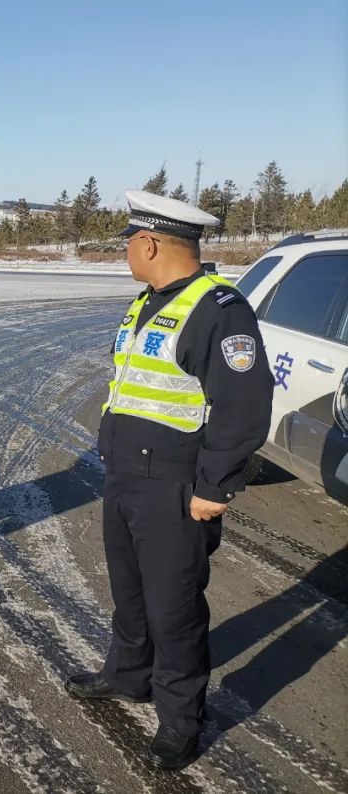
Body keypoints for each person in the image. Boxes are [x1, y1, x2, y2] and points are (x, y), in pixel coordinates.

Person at [65, 190, 274, 768]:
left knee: (173, 608)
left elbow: (243, 408)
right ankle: (129, 676)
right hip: (126, 476)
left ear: (150, 243)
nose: (126, 252)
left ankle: (182, 719)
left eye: (129, 242)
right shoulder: (146, 302)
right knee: (130, 595)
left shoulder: (219, 309)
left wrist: (214, 487)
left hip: (176, 487)